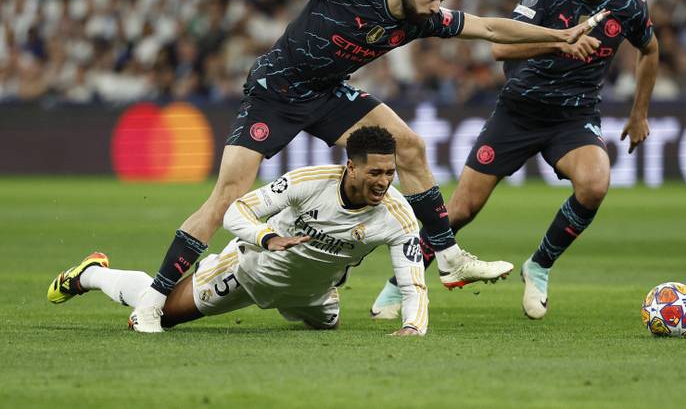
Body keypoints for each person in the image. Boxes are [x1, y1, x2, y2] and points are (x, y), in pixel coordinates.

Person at [127, 0, 605, 333]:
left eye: (441, 0)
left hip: (327, 92)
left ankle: (447, 255)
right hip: (276, 90)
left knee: (409, 146)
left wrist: (559, 36)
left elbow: (491, 27)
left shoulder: (423, 18)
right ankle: (151, 301)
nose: (436, 7)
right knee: (227, 198)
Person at [370, 0, 659, 320]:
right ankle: (400, 283)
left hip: (573, 116)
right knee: (461, 210)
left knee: (595, 184)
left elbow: (650, 49)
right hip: (518, 111)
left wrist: (640, 112)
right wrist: (559, 45)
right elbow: (500, 49)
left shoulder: (627, 5)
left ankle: (539, 265)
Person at [48, 127, 428, 336]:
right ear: (351, 167)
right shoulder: (309, 182)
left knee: (328, 329)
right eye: (375, 172)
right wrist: (267, 237)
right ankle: (92, 274)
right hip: (247, 271)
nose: (384, 182)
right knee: (162, 314)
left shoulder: (398, 216)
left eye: (390, 173)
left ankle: (315, 301)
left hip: (313, 295)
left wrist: (413, 326)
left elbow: (413, 283)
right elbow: (236, 210)